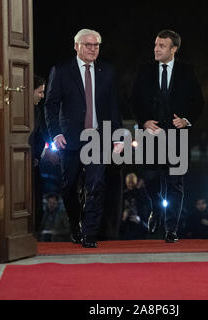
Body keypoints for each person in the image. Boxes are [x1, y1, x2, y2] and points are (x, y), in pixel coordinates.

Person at [44, 29, 123, 248]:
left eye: (96, 45)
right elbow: (50, 105)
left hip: (98, 138)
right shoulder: (61, 71)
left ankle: (90, 234)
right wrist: (55, 133)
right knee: (69, 187)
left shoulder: (107, 71)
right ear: (76, 45)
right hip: (69, 139)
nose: (93, 48)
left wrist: (117, 137)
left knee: (96, 185)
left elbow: (113, 107)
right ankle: (75, 226)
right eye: (88, 44)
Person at [130, 30, 204, 243]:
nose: (156, 49)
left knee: (174, 183)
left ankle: (171, 228)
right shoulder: (144, 70)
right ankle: (156, 208)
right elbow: (134, 99)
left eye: (162, 45)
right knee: (151, 180)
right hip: (150, 133)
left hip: (177, 136)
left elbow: (199, 102)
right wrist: (143, 121)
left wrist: (186, 120)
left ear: (174, 49)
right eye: (155, 44)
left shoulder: (187, 71)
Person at [30, 75, 58, 233]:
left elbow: (39, 137)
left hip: (34, 165)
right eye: (40, 92)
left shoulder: (35, 111)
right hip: (24, 166)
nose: (42, 96)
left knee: (37, 208)